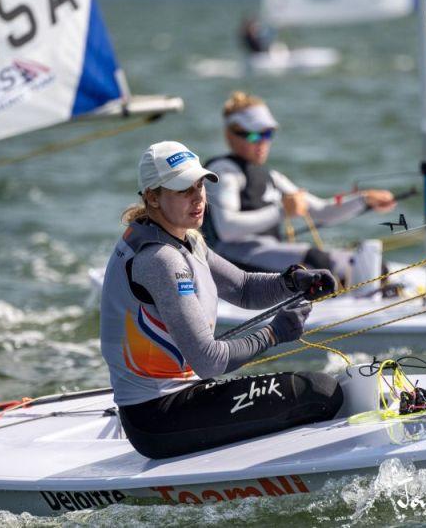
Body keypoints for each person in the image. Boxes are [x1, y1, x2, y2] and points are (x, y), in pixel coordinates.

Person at [100, 141, 344, 459]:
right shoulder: (160, 259)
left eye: (200, 184)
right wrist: (274, 333)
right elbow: (208, 361)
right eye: (183, 189)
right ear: (152, 197)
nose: (198, 196)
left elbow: (242, 287)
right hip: (158, 418)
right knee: (320, 392)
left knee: (318, 388)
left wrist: (292, 282)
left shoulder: (182, 238)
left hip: (180, 399)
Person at [202, 91, 397, 283]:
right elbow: (227, 228)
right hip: (233, 263)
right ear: (231, 135)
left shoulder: (272, 176)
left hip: (267, 254)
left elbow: (323, 211)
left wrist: (364, 199)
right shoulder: (224, 171)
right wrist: (282, 210)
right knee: (318, 262)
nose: (262, 142)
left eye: (267, 134)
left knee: (374, 266)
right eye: (253, 136)